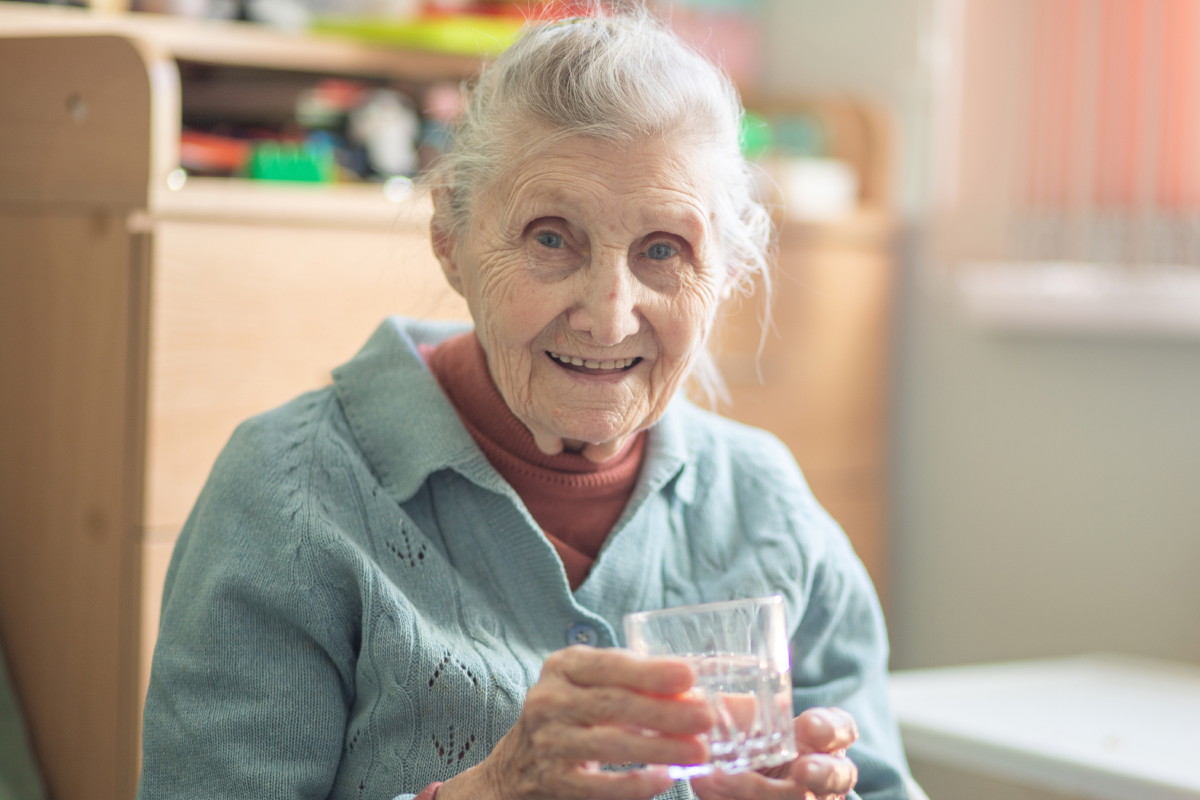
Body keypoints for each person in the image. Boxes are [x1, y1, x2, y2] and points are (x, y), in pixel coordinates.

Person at [137, 7, 913, 800]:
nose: (610, 316)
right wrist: (495, 792)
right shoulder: (287, 497)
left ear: (725, 271)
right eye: (551, 238)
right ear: (451, 237)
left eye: (662, 250)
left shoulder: (767, 505)